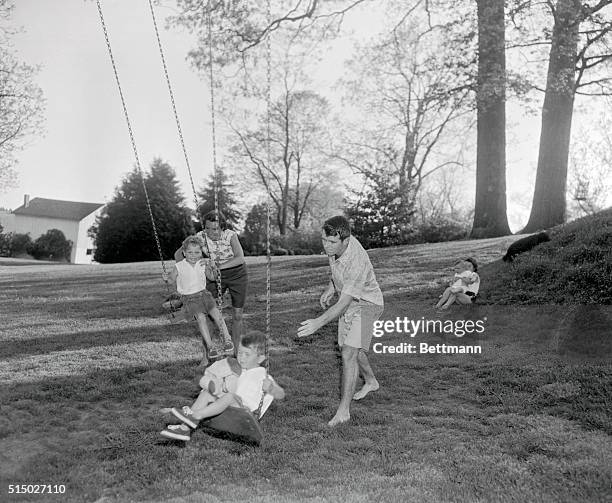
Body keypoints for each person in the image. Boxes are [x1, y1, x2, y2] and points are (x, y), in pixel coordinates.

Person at [297, 216, 384, 427]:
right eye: (324, 240)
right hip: (351, 299)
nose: (326, 246)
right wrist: (330, 287)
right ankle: (371, 381)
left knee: (348, 353)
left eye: (331, 242)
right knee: (351, 348)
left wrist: (318, 322)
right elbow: (337, 270)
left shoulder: (357, 260)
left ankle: (344, 411)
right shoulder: (336, 244)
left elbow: (344, 303)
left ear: (346, 240)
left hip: (368, 303)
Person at [160, 331, 285, 442]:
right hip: (227, 403)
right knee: (208, 393)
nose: (241, 357)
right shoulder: (237, 370)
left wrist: (271, 388)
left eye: (247, 354)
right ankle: (184, 429)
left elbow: (281, 394)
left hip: (245, 411)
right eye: (240, 353)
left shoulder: (262, 374)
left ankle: (196, 415)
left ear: (260, 358)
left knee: (229, 396)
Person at [175, 211, 248, 353]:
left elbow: (240, 258)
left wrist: (218, 266)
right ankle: (207, 355)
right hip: (213, 276)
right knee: (209, 313)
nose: (209, 232)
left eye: (214, 228)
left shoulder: (230, 235)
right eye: (207, 228)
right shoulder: (201, 236)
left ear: (222, 227)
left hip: (237, 273)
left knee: (238, 314)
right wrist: (188, 268)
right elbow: (178, 254)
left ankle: (235, 352)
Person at [164, 235, 234, 360]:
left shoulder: (203, 263)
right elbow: (170, 281)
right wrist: (166, 278)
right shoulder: (179, 266)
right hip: (189, 299)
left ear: (201, 252)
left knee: (217, 315)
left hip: (204, 295)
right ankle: (211, 347)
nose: (193, 255)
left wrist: (213, 267)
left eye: (197, 252)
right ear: (184, 253)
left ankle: (228, 340)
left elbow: (212, 278)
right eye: (190, 252)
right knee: (201, 319)